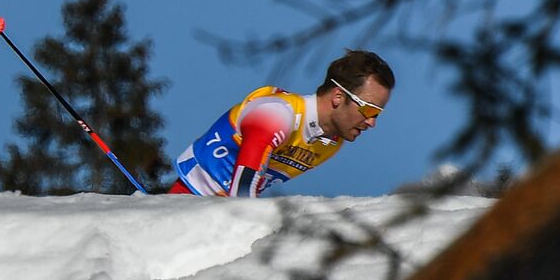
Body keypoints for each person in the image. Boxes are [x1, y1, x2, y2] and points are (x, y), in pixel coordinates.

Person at [168, 50, 394, 197]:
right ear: (337, 96)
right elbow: (241, 193)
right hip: (187, 206)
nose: (372, 122)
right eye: (369, 109)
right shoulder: (277, 114)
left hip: (212, 215)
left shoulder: (331, 142)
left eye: (378, 113)